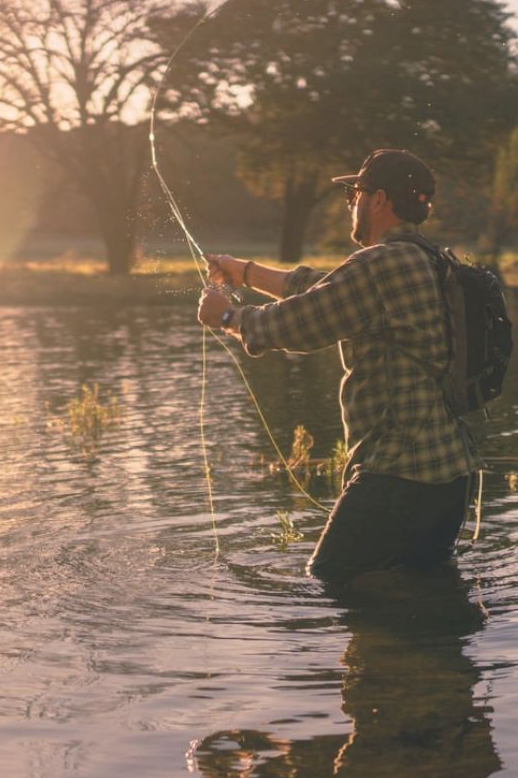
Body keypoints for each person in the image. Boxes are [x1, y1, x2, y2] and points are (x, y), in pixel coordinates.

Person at [197, 148, 480, 582]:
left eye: (355, 196)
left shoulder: (380, 263)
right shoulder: (427, 258)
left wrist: (226, 317)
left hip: (398, 479)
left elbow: (297, 324)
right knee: (423, 594)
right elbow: (319, 289)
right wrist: (244, 272)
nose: (352, 206)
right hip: (449, 480)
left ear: (379, 199)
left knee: (332, 581)